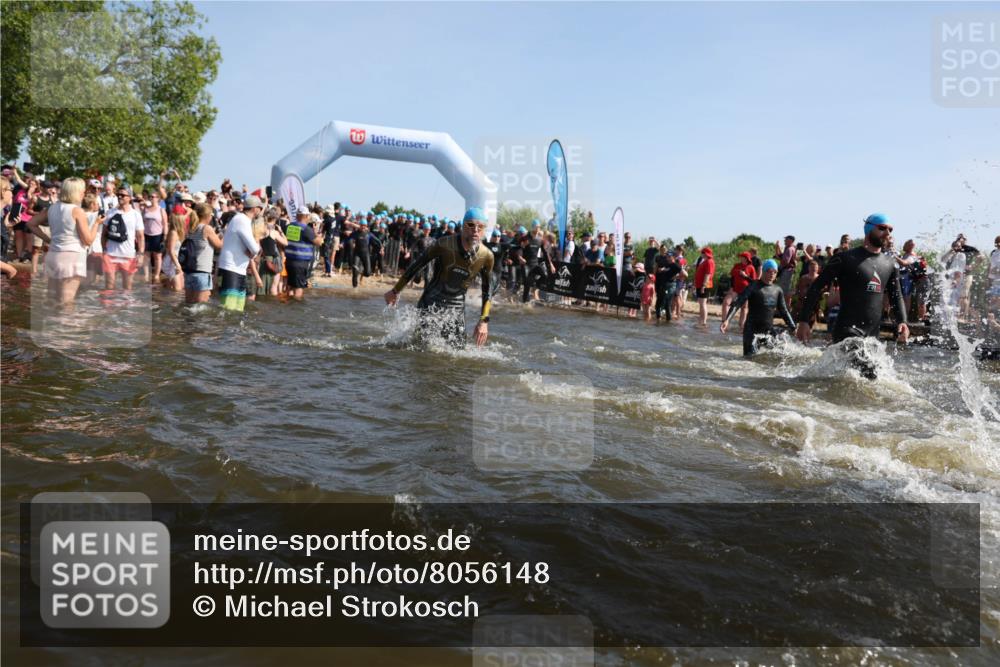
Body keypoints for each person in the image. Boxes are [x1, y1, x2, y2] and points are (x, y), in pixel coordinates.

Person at [796, 214, 909, 377]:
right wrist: (804, 320)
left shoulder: (890, 264)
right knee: (866, 377)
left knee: (860, 381)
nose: (888, 232)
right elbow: (817, 287)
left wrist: (902, 321)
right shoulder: (845, 259)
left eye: (890, 229)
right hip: (847, 331)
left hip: (872, 335)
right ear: (869, 228)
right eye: (882, 228)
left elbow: (896, 295)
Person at [384, 207, 495, 348]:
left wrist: (484, 321)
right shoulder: (444, 244)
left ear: (485, 230)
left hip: (456, 307)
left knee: (458, 350)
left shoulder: (487, 256)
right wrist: (395, 291)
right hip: (431, 302)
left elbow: (488, 288)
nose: (475, 230)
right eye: (471, 225)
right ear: (463, 226)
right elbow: (418, 264)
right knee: (419, 346)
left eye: (481, 227)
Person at [24, 178, 102, 304]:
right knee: (66, 302)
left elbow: (31, 223)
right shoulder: (77, 211)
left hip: (54, 254)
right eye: (82, 191)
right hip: (72, 256)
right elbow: (88, 240)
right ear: (76, 192)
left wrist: (48, 239)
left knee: (52, 298)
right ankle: (66, 323)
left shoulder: (52, 208)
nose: (84, 193)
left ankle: (50, 322)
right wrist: (97, 224)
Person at [721, 259, 796, 357]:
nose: (772, 274)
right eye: (769, 271)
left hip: (768, 332)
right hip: (751, 332)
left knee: (776, 358)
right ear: (764, 271)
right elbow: (738, 303)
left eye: (775, 272)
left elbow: (784, 311)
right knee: (749, 360)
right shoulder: (753, 286)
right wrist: (727, 320)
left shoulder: (777, 290)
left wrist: (793, 326)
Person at [217, 194, 263, 311]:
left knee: (238, 310)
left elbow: (253, 250)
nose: (261, 211)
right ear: (254, 209)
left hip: (238, 269)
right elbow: (254, 248)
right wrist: (253, 252)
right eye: (260, 208)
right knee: (228, 309)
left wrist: (253, 252)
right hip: (231, 268)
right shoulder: (241, 220)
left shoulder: (243, 220)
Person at [101, 187, 145, 290]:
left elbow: (140, 236)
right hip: (111, 254)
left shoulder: (135, 215)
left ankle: (125, 306)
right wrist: (104, 250)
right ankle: (109, 306)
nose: (120, 196)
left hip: (128, 255)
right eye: (118, 194)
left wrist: (141, 254)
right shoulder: (110, 212)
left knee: (127, 287)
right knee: (109, 287)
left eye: (123, 195)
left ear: (129, 197)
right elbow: (104, 234)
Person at [183, 203, 224, 303]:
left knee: (189, 303)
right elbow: (219, 246)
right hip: (202, 272)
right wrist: (224, 234)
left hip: (189, 271)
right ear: (208, 215)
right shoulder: (207, 228)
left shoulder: (191, 228)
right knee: (201, 306)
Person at [284, 207, 324, 298]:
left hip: (289, 260)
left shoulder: (289, 226)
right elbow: (318, 242)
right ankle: (297, 308)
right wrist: (317, 233)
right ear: (306, 216)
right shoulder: (306, 229)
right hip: (300, 262)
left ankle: (287, 307)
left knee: (290, 285)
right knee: (298, 287)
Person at [719, 252, 757, 331]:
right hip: (735, 289)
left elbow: (754, 281)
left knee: (744, 307)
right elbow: (732, 277)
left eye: (742, 257)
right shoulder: (736, 265)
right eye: (740, 257)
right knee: (726, 302)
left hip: (746, 290)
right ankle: (724, 322)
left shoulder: (751, 267)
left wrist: (745, 276)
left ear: (747, 258)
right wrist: (731, 287)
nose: (741, 258)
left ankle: (741, 326)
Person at [141, 191, 167, 283]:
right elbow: (142, 222)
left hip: (158, 234)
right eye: (150, 197)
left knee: (157, 256)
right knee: (146, 256)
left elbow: (165, 224)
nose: (151, 198)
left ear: (158, 199)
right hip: (146, 234)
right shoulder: (145, 209)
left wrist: (165, 236)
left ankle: (156, 275)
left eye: (153, 196)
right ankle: (146, 275)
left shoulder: (161, 210)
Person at [694, 247, 715, 326]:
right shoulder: (706, 261)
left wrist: (703, 285)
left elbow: (708, 274)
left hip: (705, 285)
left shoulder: (709, 262)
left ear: (705, 254)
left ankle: (704, 322)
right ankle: (701, 320)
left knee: (703, 303)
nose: (701, 254)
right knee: (701, 303)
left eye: (702, 253)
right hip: (701, 285)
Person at [775, 235, 797, 309]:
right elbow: (782, 257)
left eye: (786, 239)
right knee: (785, 290)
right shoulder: (788, 248)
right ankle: (784, 308)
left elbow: (785, 261)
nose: (784, 241)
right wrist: (777, 248)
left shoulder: (790, 249)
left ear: (791, 240)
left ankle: (784, 308)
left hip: (787, 271)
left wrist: (780, 265)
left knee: (784, 290)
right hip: (787, 270)